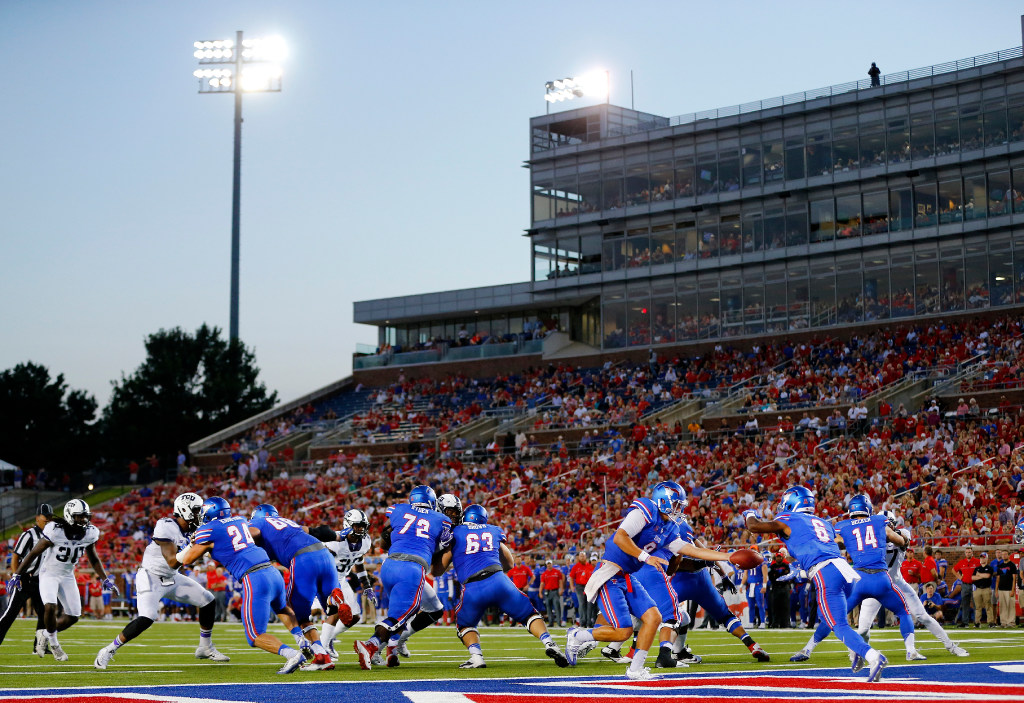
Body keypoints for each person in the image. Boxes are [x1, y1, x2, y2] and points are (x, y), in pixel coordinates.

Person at [566, 481, 736, 680]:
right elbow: (620, 537)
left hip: (627, 576)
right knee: (623, 632)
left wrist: (727, 557)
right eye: (676, 504)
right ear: (663, 500)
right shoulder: (645, 509)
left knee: (654, 617)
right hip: (610, 573)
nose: (679, 509)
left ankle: (635, 669)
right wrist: (646, 558)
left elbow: (692, 550)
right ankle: (577, 636)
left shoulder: (670, 527)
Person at [744, 486, 888, 682]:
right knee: (828, 619)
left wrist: (749, 513)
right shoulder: (821, 522)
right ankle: (855, 652)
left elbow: (754, 526)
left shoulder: (789, 518)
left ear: (793, 502)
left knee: (839, 625)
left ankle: (873, 656)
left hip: (826, 572)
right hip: (844, 570)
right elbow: (810, 549)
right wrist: (793, 560)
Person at [95, 493, 229, 670]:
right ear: (184, 510)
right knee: (147, 617)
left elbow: (188, 561)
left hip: (171, 577)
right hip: (150, 576)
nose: (200, 515)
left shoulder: (195, 529)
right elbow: (173, 561)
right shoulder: (166, 525)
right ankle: (108, 650)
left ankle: (205, 647)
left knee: (207, 600)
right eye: (197, 510)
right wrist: (194, 545)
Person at [177, 497, 307, 674]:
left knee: (255, 636)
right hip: (272, 571)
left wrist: (194, 543)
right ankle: (303, 641)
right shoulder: (240, 520)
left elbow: (187, 560)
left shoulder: (209, 529)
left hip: (254, 577)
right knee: (282, 608)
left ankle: (292, 654)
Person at [790, 495, 921, 662]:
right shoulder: (879, 520)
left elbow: (832, 542)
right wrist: (905, 540)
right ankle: (911, 651)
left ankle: (807, 649)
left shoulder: (843, 526)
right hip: (881, 578)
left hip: (858, 580)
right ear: (867, 508)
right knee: (903, 611)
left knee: (835, 617)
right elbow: (899, 540)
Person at [436, 503, 567, 669]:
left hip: (473, 586)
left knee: (465, 625)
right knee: (529, 615)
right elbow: (510, 562)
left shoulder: (455, 533)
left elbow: (440, 567)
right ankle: (549, 643)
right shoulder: (493, 530)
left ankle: (477, 657)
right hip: (499, 580)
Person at [353, 485, 451, 670]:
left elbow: (384, 539)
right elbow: (444, 547)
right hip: (412, 566)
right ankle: (370, 645)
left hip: (389, 565)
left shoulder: (398, 509)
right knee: (403, 613)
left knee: (400, 612)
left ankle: (392, 648)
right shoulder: (442, 519)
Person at [7, 499, 116, 662]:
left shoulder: (90, 532)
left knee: (74, 616)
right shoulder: (55, 530)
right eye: (80, 517)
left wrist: (105, 578)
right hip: (49, 573)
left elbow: (93, 558)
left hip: (67, 575)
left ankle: (44, 633)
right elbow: (33, 554)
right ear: (70, 516)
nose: (84, 520)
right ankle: (55, 645)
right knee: (50, 606)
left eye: (86, 517)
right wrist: (17, 574)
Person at [855, 511, 968, 656]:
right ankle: (863, 653)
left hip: (896, 582)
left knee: (923, 616)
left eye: (886, 523)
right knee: (863, 628)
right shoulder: (872, 538)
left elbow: (901, 541)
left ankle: (950, 646)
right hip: (877, 585)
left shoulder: (902, 533)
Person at [247, 504, 336, 670]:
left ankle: (320, 654)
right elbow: (318, 532)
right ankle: (333, 601)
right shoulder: (288, 522)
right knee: (329, 610)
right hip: (325, 555)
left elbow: (252, 533)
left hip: (303, 559)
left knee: (295, 612)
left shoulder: (258, 523)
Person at [317, 508, 374, 660]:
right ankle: (321, 652)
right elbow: (316, 555)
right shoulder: (335, 542)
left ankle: (327, 639)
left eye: (363, 525)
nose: (361, 529)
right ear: (348, 525)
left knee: (354, 617)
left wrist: (366, 584)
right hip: (328, 578)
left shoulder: (366, 542)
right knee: (335, 611)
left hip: (342, 579)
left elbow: (359, 561)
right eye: (357, 526)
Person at [0, 504, 52, 651]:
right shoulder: (29, 535)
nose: (48, 520)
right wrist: (16, 576)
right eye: (45, 516)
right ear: (37, 518)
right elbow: (15, 556)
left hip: (40, 580)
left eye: (50, 517)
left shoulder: (53, 535)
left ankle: (39, 646)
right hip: (24, 578)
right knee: (11, 613)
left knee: (44, 613)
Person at [952, 546, 980, 626]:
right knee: (965, 604)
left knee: (976, 604)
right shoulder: (962, 562)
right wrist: (960, 577)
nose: (968, 553)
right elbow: (954, 570)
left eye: (969, 552)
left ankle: (977, 622)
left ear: (972, 553)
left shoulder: (977, 562)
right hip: (965, 584)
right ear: (965, 553)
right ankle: (965, 622)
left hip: (975, 584)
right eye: (967, 552)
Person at [741, 553, 769, 629]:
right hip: (750, 586)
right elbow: (745, 574)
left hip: (758, 585)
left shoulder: (762, 561)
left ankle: (762, 622)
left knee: (760, 605)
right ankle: (751, 622)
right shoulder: (748, 561)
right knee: (751, 605)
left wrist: (764, 586)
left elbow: (765, 574)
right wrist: (741, 585)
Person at [994, 548, 1018, 627]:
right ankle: (1003, 622)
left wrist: (1012, 590)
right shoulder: (1000, 566)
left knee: (1011, 606)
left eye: (1005, 554)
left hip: (1009, 589)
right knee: (1002, 606)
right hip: (1001, 589)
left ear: (1008, 555)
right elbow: (998, 579)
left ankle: (1011, 622)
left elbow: (1014, 578)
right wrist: (996, 590)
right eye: (1002, 554)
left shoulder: (1012, 565)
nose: (1003, 556)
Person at [971, 552, 994, 627]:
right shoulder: (977, 568)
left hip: (986, 589)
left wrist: (979, 575)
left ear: (987, 558)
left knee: (988, 606)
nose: (982, 559)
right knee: (978, 607)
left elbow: (987, 576)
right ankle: (977, 622)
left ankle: (990, 622)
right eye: (981, 557)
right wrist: (982, 576)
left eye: (983, 557)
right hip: (978, 589)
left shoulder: (989, 568)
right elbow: (973, 577)